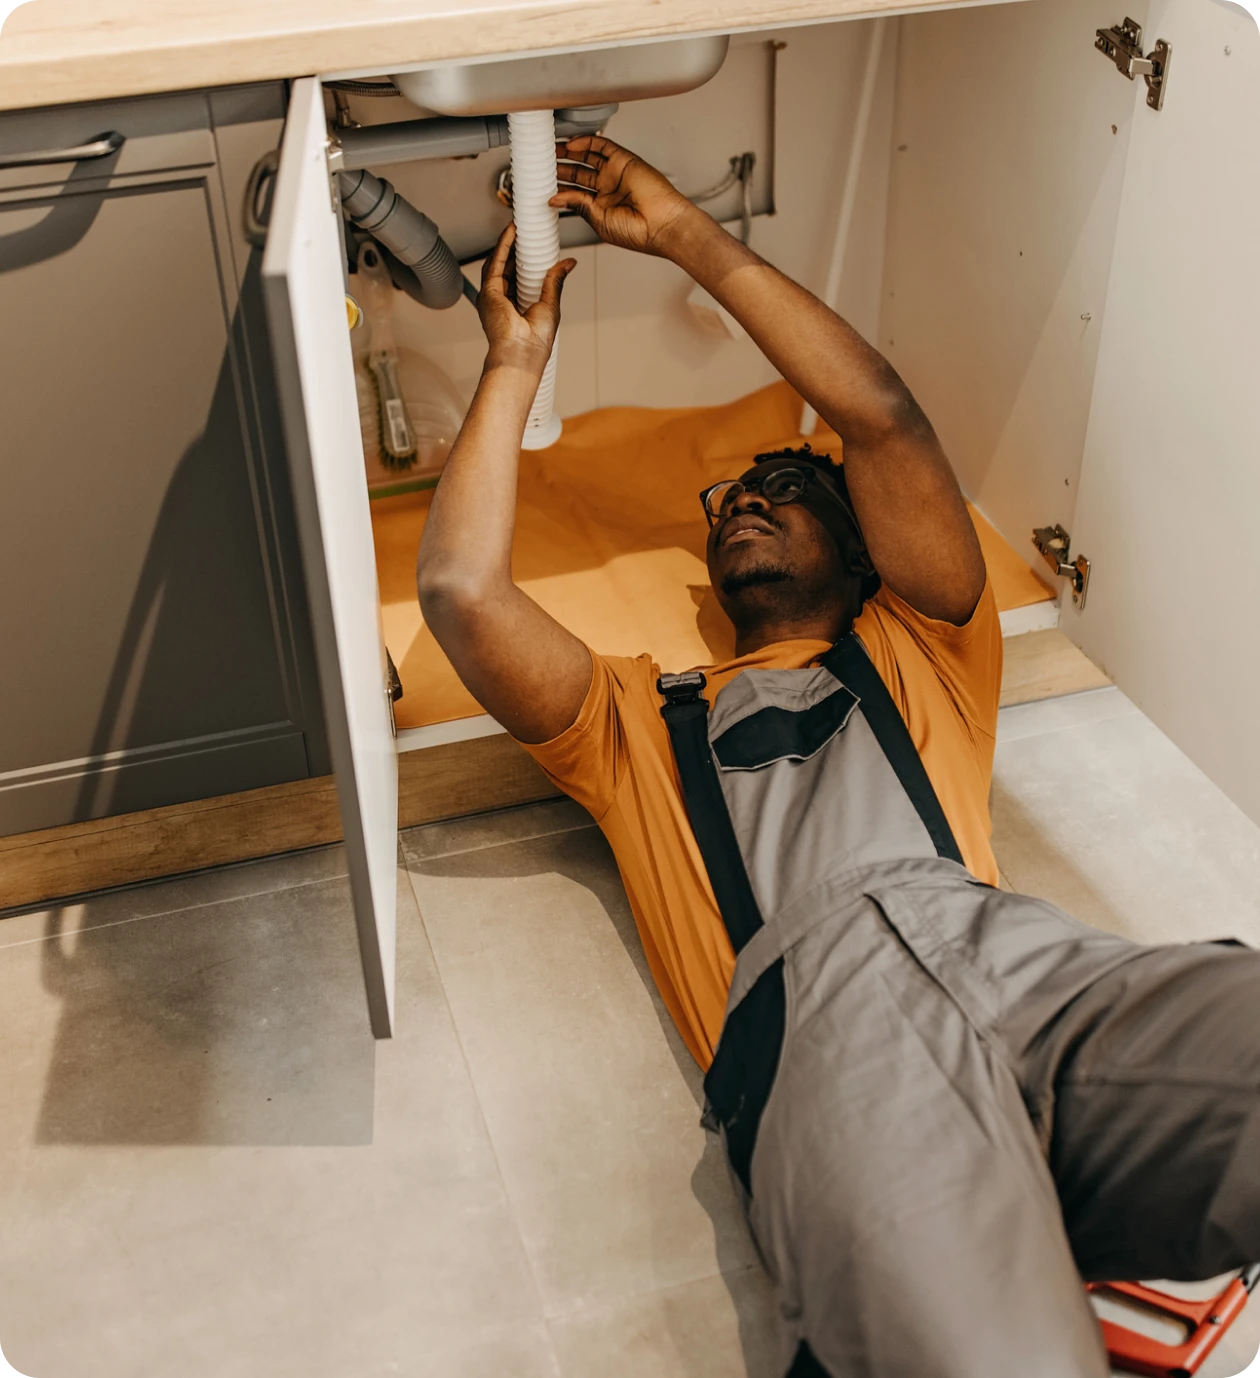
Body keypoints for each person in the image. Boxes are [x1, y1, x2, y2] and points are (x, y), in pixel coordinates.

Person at [415, 135, 1260, 1378]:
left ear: (866, 551)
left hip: (1019, 965)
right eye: (727, 503)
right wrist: (514, 360)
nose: (742, 502)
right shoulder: (630, 722)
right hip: (826, 1041)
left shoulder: (929, 645)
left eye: (785, 487)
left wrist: (685, 235)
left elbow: (880, 415)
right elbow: (461, 589)